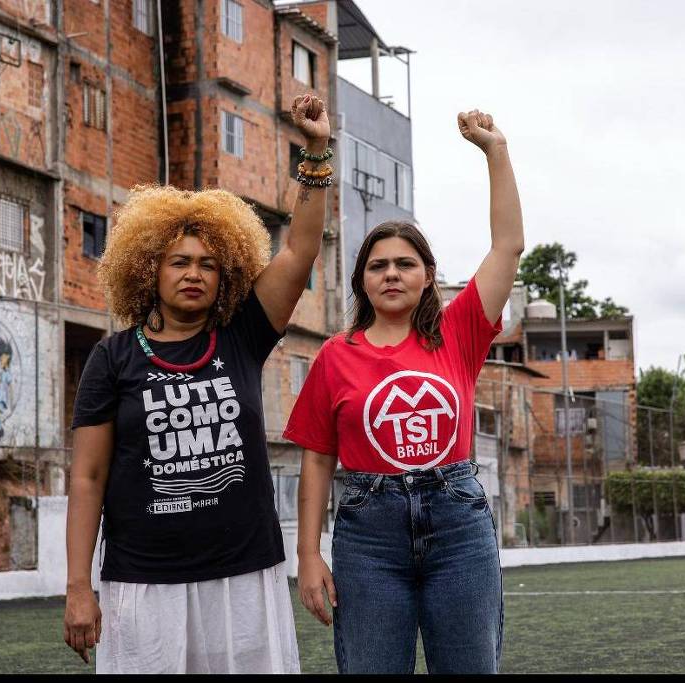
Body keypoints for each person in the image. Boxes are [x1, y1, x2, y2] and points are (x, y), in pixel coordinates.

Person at [64, 94, 332, 673]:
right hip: (142, 581)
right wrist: (78, 586)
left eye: (208, 264)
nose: (193, 274)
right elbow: (87, 478)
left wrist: (314, 152)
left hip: (243, 576)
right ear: (147, 269)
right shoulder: (111, 358)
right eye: (178, 261)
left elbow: (301, 248)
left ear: (226, 274)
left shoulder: (242, 336)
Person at [284, 109, 523, 674]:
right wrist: (309, 552)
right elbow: (317, 461)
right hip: (369, 537)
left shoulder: (460, 333)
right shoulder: (336, 355)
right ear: (362, 280)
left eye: (405, 264)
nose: (391, 274)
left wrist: (496, 150)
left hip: (459, 526)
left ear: (426, 275)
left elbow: (508, 246)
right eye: (378, 266)